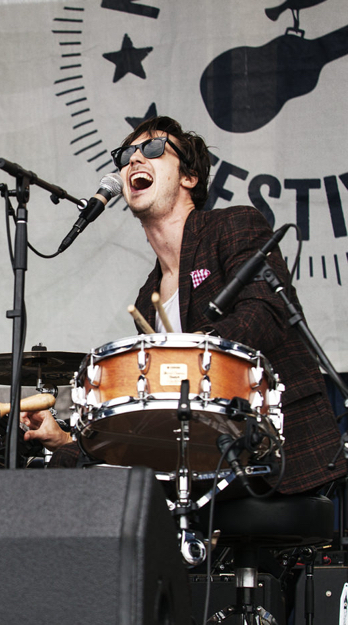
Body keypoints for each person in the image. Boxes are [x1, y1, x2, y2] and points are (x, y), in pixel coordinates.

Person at [22, 115, 346, 495]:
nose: (134, 161)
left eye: (154, 149)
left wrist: (186, 353)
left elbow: (264, 312)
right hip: (202, 468)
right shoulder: (148, 296)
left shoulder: (233, 226)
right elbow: (151, 408)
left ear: (189, 178)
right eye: (126, 155)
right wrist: (64, 442)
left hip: (278, 457)